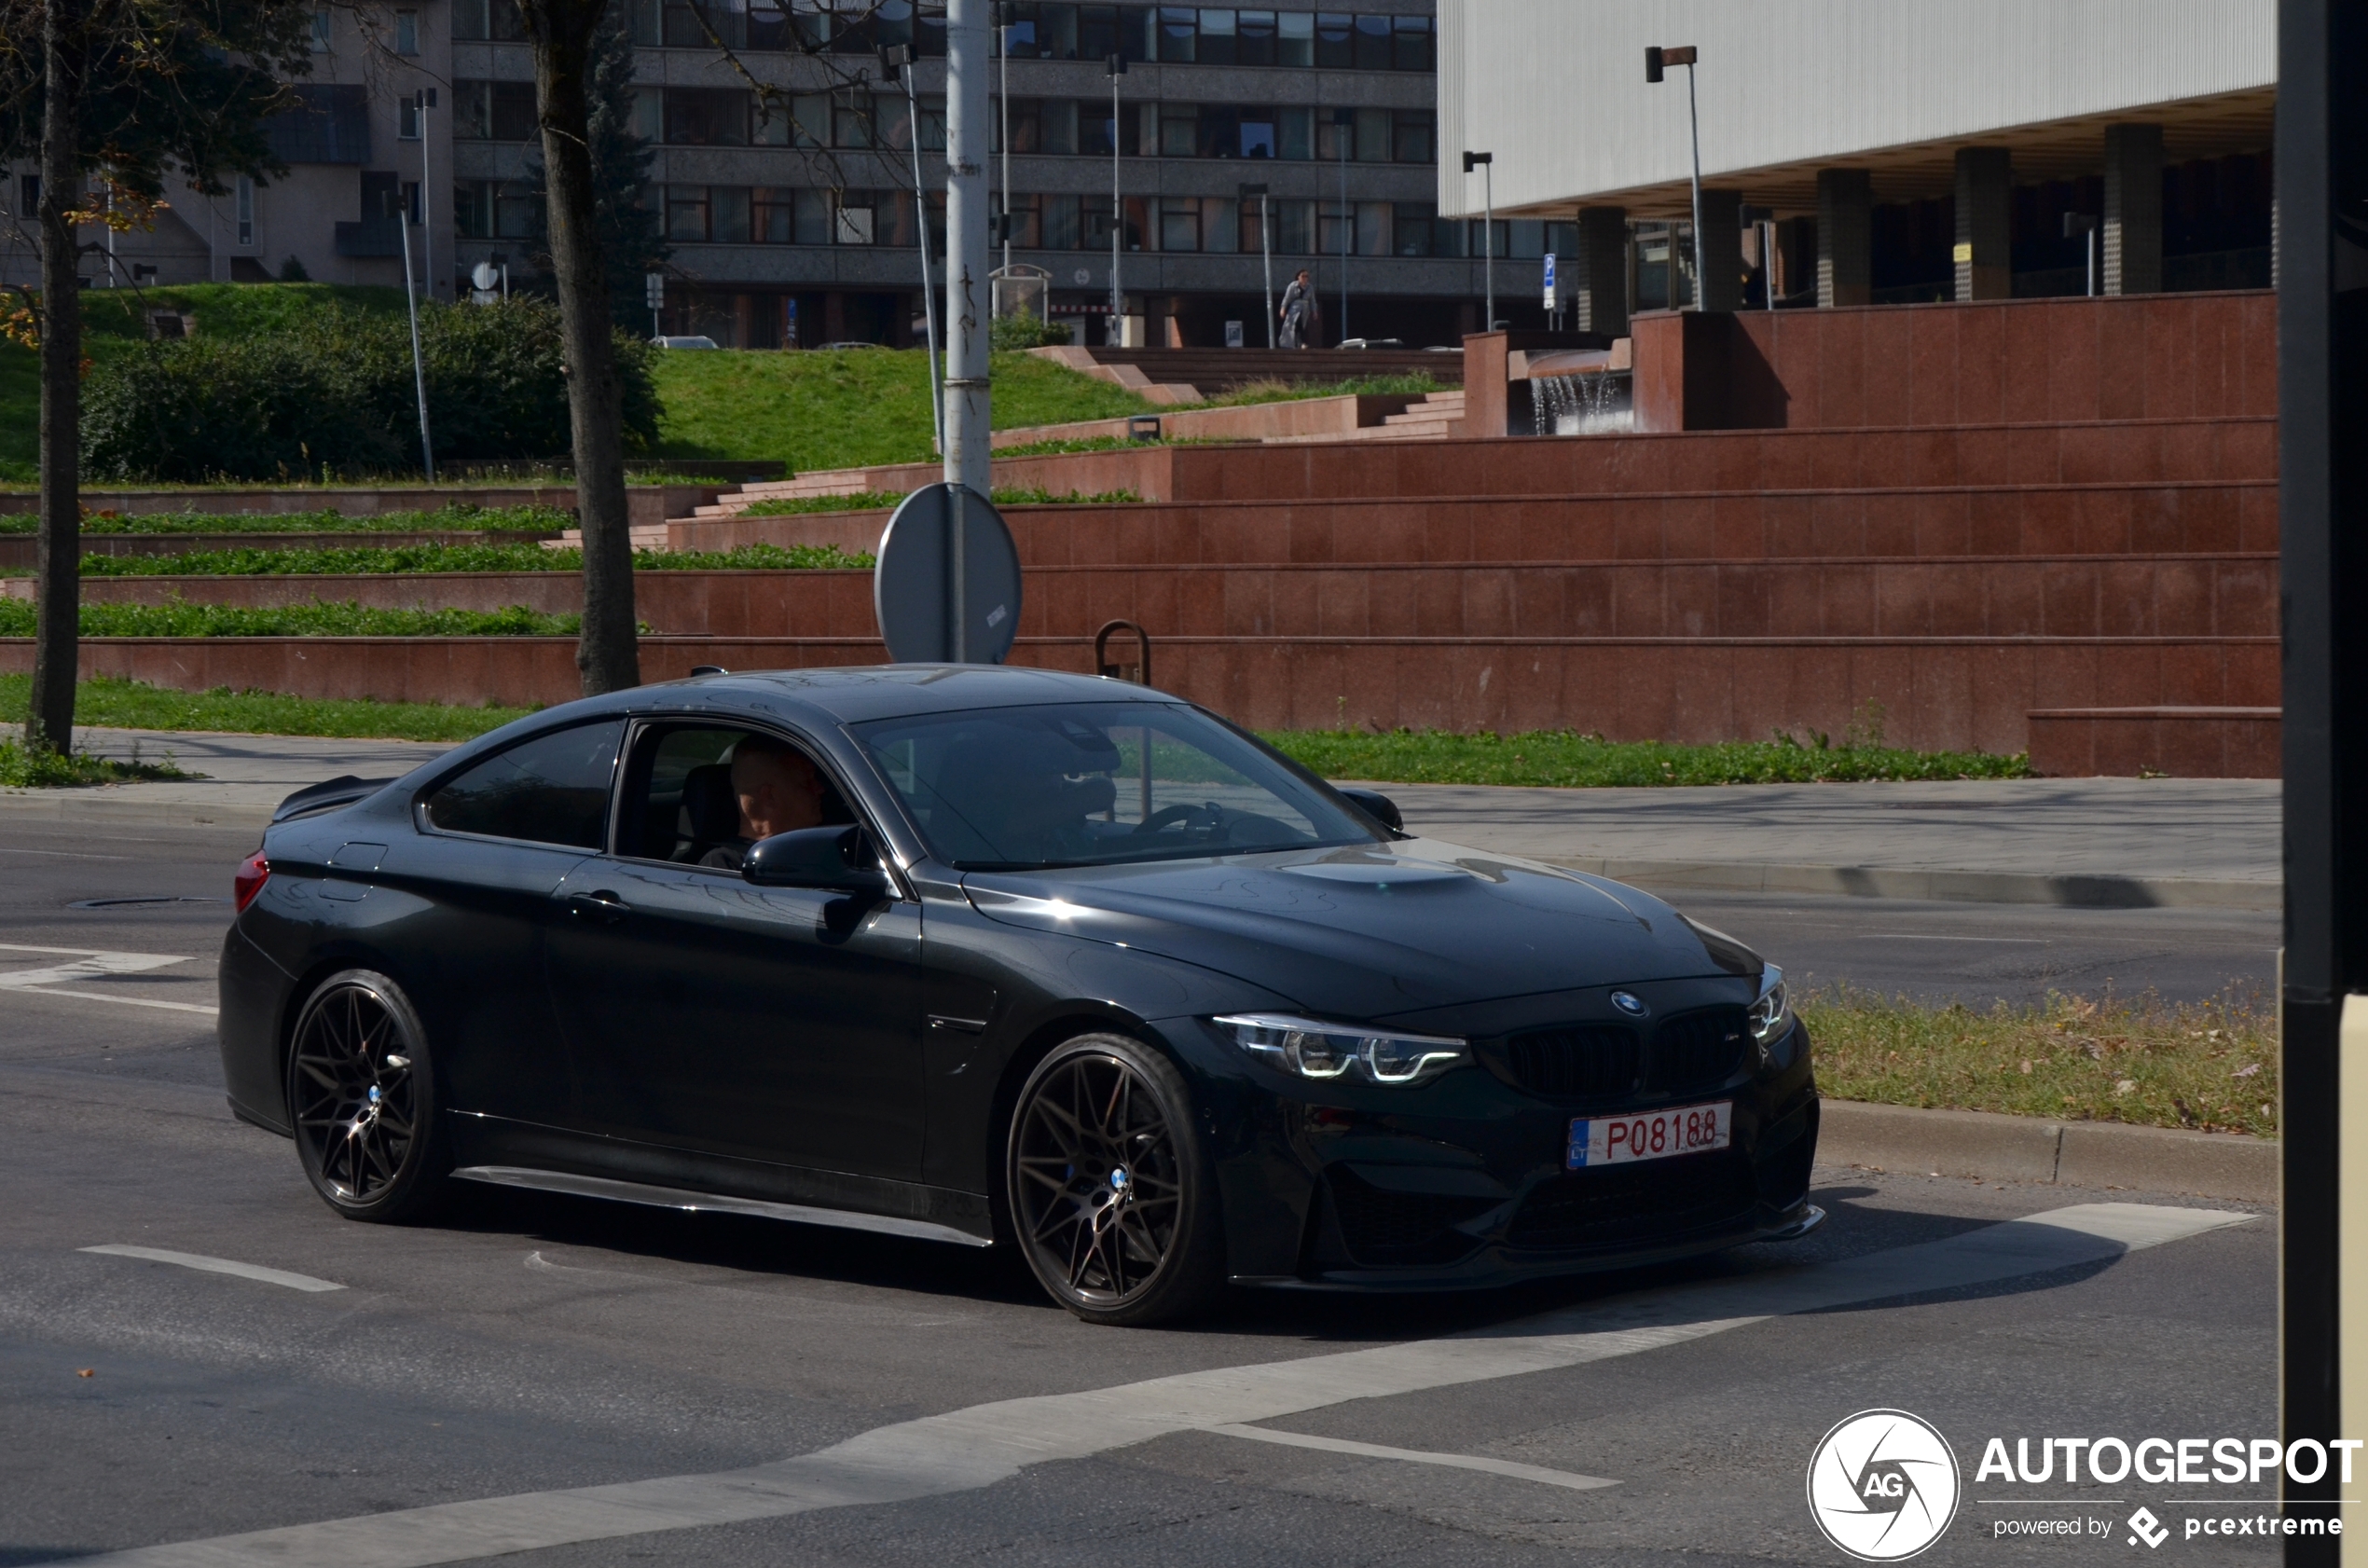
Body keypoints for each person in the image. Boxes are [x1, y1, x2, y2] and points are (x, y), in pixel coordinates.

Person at [700, 734, 829, 869]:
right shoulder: (723, 865)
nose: (820, 789)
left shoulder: (824, 851)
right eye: (806, 783)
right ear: (769, 796)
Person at [1278, 268, 1319, 349]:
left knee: (1302, 325)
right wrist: (1283, 308)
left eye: (1306, 276)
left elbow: (1312, 301)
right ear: (1298, 277)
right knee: (1294, 324)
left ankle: (1301, 343)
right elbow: (1287, 298)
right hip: (1295, 308)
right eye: (1303, 276)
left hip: (1305, 309)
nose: (1305, 278)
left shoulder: (1310, 287)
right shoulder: (1293, 286)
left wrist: (1314, 311)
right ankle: (1295, 343)